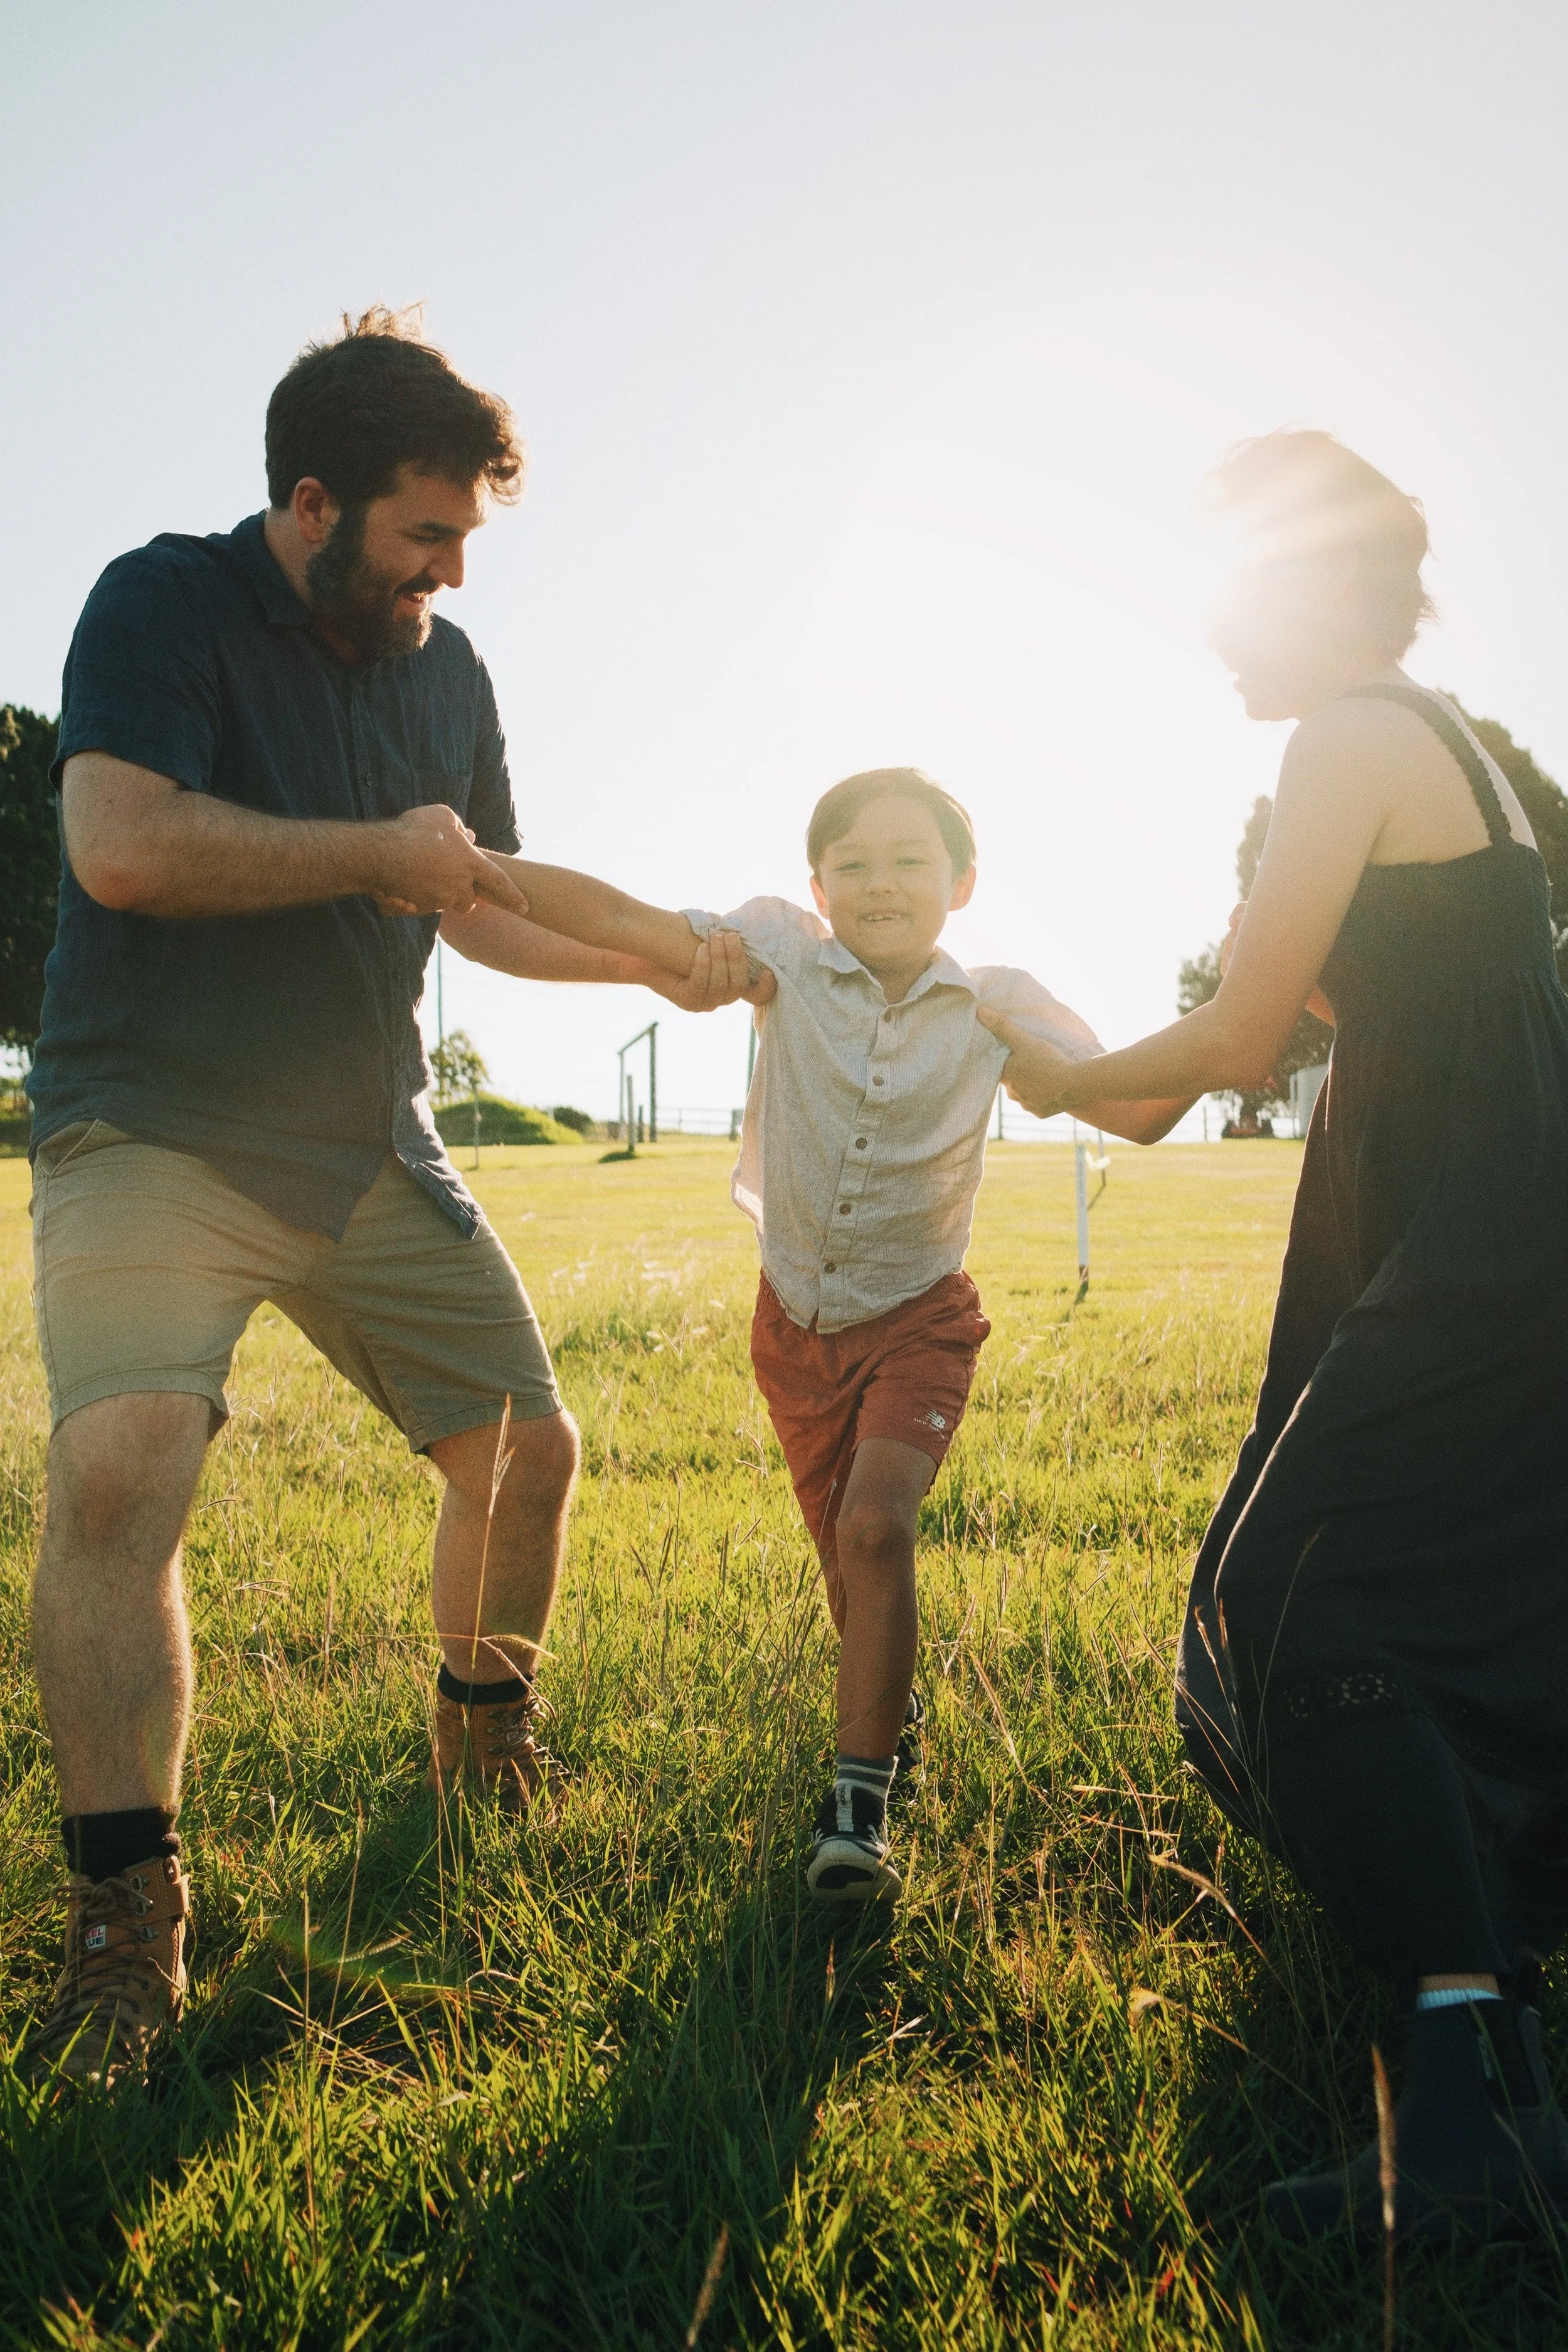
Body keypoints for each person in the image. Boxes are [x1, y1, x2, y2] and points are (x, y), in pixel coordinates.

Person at [24, 307, 764, 2087]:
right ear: (309, 504)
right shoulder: (163, 601)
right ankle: (131, 1915)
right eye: (424, 535)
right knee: (124, 1464)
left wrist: (649, 959)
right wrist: (377, 855)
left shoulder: (448, 672)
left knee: (527, 1448)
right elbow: (118, 840)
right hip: (155, 1120)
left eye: (466, 540)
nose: (449, 571)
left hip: (360, 1126)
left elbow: (476, 900)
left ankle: (480, 1742)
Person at [982, 431, 1568, 2241]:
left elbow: (1227, 1040)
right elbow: (1217, 1066)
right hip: (1458, 1207)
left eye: (1235, 593)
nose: (1215, 635)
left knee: (1299, 1581)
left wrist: (1060, 1066)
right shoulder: (1423, 741)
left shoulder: (1360, 732)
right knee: (1399, 1584)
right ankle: (1497, 2052)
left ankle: (1460, 2125)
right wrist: (1037, 1045)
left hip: (1486, 1223)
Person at [472, 768, 1187, 1902]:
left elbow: (1140, 1109)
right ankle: (894, 1716)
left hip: (921, 1319)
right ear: (817, 883)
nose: (880, 884)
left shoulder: (994, 997)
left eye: (910, 861)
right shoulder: (784, 954)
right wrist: (472, 870)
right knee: (849, 1571)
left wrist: (1258, 999)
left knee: (875, 1530)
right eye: (851, 863)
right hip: (793, 1326)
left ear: (962, 883)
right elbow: (631, 924)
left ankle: (859, 1807)